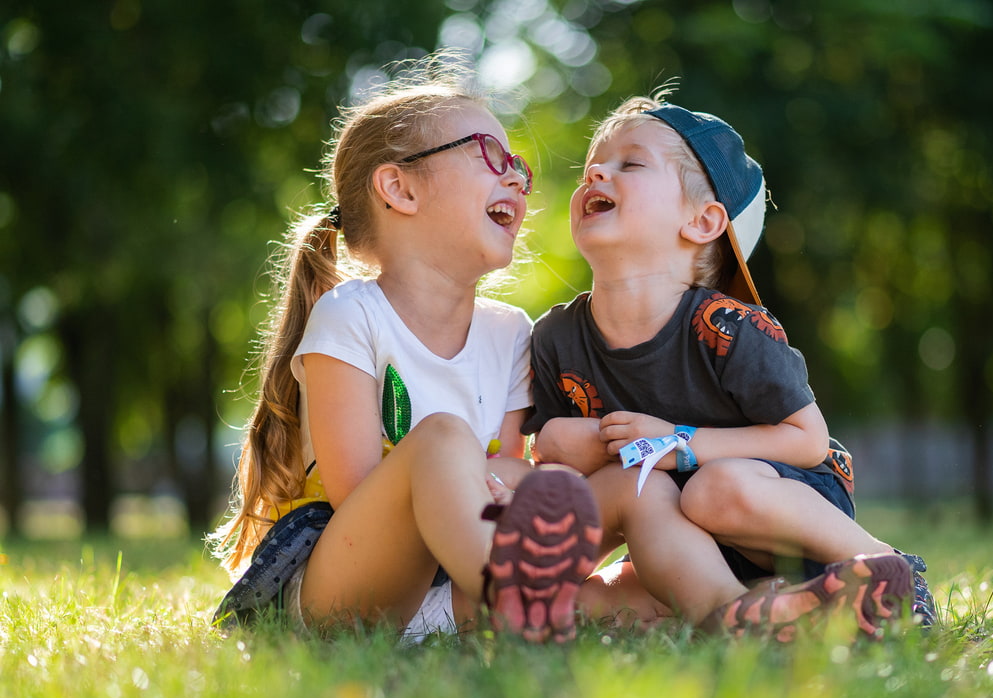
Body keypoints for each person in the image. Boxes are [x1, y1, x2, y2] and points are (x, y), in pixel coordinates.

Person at [210, 59, 665, 644]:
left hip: (453, 589)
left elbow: (512, 463)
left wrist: (504, 479)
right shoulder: (351, 316)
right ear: (400, 188)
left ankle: (756, 602)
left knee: (628, 493)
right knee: (444, 435)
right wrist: (472, 470)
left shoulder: (510, 332)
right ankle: (520, 602)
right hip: (353, 589)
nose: (518, 181)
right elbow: (359, 493)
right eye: (490, 155)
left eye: (520, 167)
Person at [524, 94, 937, 638]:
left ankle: (888, 570)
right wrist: (566, 444)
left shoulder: (727, 327)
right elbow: (557, 457)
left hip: (775, 504)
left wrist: (678, 441)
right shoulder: (555, 336)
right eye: (592, 166)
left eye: (631, 163)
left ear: (702, 221)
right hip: (679, 537)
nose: (596, 171)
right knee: (582, 604)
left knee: (714, 491)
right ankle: (768, 606)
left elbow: (806, 441)